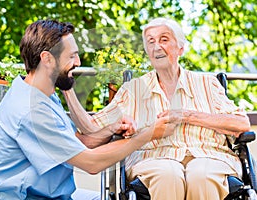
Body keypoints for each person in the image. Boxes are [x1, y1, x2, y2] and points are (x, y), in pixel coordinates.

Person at [0, 19, 175, 200]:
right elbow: (90, 163)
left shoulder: (43, 94)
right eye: (72, 56)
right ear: (47, 59)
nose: (77, 63)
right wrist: (148, 133)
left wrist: (111, 130)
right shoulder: (30, 110)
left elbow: (77, 143)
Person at [63, 17, 251, 199]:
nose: (156, 47)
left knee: (201, 174)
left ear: (181, 48)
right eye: (150, 42)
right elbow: (88, 134)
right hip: (153, 160)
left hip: (210, 156)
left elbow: (242, 124)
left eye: (164, 39)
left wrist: (187, 115)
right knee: (167, 175)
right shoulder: (133, 90)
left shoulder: (207, 84)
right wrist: (67, 88)